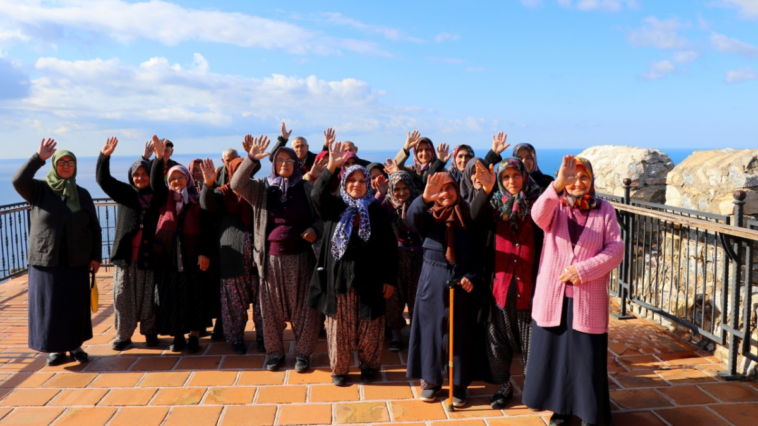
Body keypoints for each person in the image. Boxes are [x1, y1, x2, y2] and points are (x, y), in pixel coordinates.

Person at [522, 155, 624, 426]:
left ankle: (590, 411)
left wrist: (583, 271)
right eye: (572, 177)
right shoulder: (555, 206)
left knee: (585, 358)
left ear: (592, 181)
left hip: (587, 298)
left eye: (584, 177)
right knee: (555, 356)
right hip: (552, 297)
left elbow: (616, 250)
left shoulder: (605, 210)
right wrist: (557, 185)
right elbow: (536, 216)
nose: (578, 182)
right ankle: (560, 408)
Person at [231, 135, 324, 373]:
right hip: (270, 260)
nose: (284, 164)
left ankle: (303, 354)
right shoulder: (262, 187)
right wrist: (251, 158)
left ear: (296, 164)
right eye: (280, 160)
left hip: (301, 258)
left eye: (289, 160)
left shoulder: (305, 187)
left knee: (304, 308)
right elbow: (236, 184)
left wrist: (315, 229)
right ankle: (275, 353)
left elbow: (322, 217)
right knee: (270, 309)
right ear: (273, 164)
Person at [308, 142, 398, 386]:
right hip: (339, 279)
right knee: (339, 328)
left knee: (371, 326)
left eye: (361, 181)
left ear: (368, 184)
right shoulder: (334, 207)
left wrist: (389, 279)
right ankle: (339, 368)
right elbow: (316, 194)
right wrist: (331, 167)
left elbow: (390, 248)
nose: (356, 184)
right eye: (351, 180)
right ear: (344, 183)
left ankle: (369, 366)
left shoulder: (377, 210)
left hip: (371, 279)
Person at [12, 139, 102, 366]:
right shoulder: (39, 190)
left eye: (70, 162)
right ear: (53, 165)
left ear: (75, 167)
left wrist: (96, 256)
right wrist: (37, 158)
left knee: (74, 305)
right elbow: (17, 180)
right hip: (46, 259)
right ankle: (56, 349)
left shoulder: (82, 194)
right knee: (50, 306)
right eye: (61, 162)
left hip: (76, 259)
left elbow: (94, 227)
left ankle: (75, 345)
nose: (66, 166)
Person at [405, 172, 485, 407]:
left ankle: (459, 383)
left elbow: (481, 256)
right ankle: (431, 379)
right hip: (432, 277)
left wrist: (471, 277)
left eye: (449, 188)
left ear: (457, 190)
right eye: (440, 190)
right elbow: (411, 217)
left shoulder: (470, 216)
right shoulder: (427, 217)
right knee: (431, 329)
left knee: (460, 331)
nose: (445, 193)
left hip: (462, 280)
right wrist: (424, 197)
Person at [471, 158, 543, 409]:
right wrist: (487, 190)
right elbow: (475, 216)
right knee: (497, 338)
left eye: (516, 176)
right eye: (506, 177)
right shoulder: (493, 206)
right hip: (500, 286)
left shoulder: (538, 205)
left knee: (530, 340)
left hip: (530, 286)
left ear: (525, 176)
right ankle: (503, 386)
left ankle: (533, 389)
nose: (511, 181)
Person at [96, 137, 161, 350]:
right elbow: (103, 179)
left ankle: (150, 332)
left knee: (149, 297)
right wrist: (104, 156)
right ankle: (123, 335)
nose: (140, 177)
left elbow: (161, 179)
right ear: (131, 178)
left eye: (144, 174)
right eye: (136, 175)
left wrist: (155, 159)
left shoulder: (158, 195)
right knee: (123, 297)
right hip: (125, 257)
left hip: (148, 256)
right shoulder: (125, 192)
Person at [150, 137, 212, 353]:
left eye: (180, 178)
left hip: (193, 259)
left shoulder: (197, 200)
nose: (177, 182)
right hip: (167, 260)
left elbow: (206, 230)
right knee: (172, 298)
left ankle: (194, 336)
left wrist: (204, 252)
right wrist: (159, 159)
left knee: (194, 297)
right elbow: (154, 184)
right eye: (173, 178)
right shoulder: (162, 199)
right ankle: (178, 336)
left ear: (188, 179)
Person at [199, 156, 264, 354]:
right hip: (232, 260)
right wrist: (208, 184)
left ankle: (264, 337)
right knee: (233, 303)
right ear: (230, 173)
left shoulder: (258, 193)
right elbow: (206, 205)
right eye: (237, 170)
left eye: (245, 170)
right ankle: (236, 339)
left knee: (263, 304)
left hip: (257, 260)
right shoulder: (223, 194)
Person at [380, 170, 423, 351]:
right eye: (396, 189)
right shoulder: (386, 205)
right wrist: (380, 193)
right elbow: (373, 213)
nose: (401, 192)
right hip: (394, 258)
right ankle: (396, 334)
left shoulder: (419, 204)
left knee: (416, 298)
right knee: (393, 299)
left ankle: (416, 335)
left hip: (417, 257)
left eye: (405, 188)